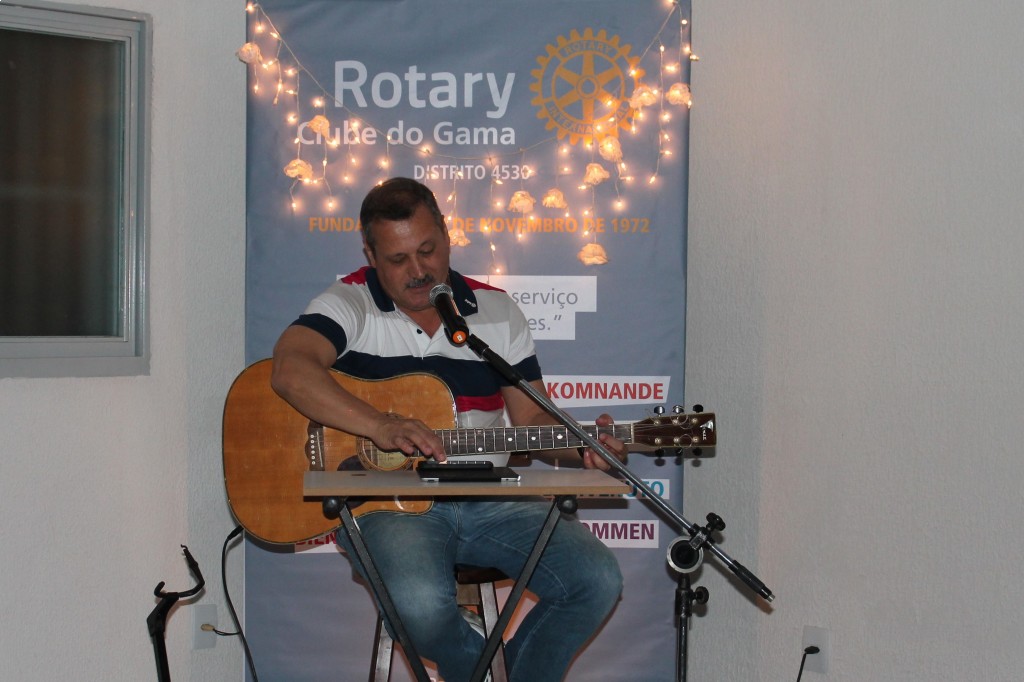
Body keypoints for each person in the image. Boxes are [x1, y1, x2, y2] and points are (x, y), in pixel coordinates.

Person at [270, 177, 626, 682]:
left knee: (596, 579)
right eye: (398, 259)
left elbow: (532, 420)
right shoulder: (349, 302)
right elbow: (290, 370)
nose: (418, 270)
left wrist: (584, 447)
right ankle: (483, 670)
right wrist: (378, 425)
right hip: (386, 505)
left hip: (492, 498)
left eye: (428, 250)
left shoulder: (495, 310)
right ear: (370, 255)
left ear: (446, 234)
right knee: (418, 603)